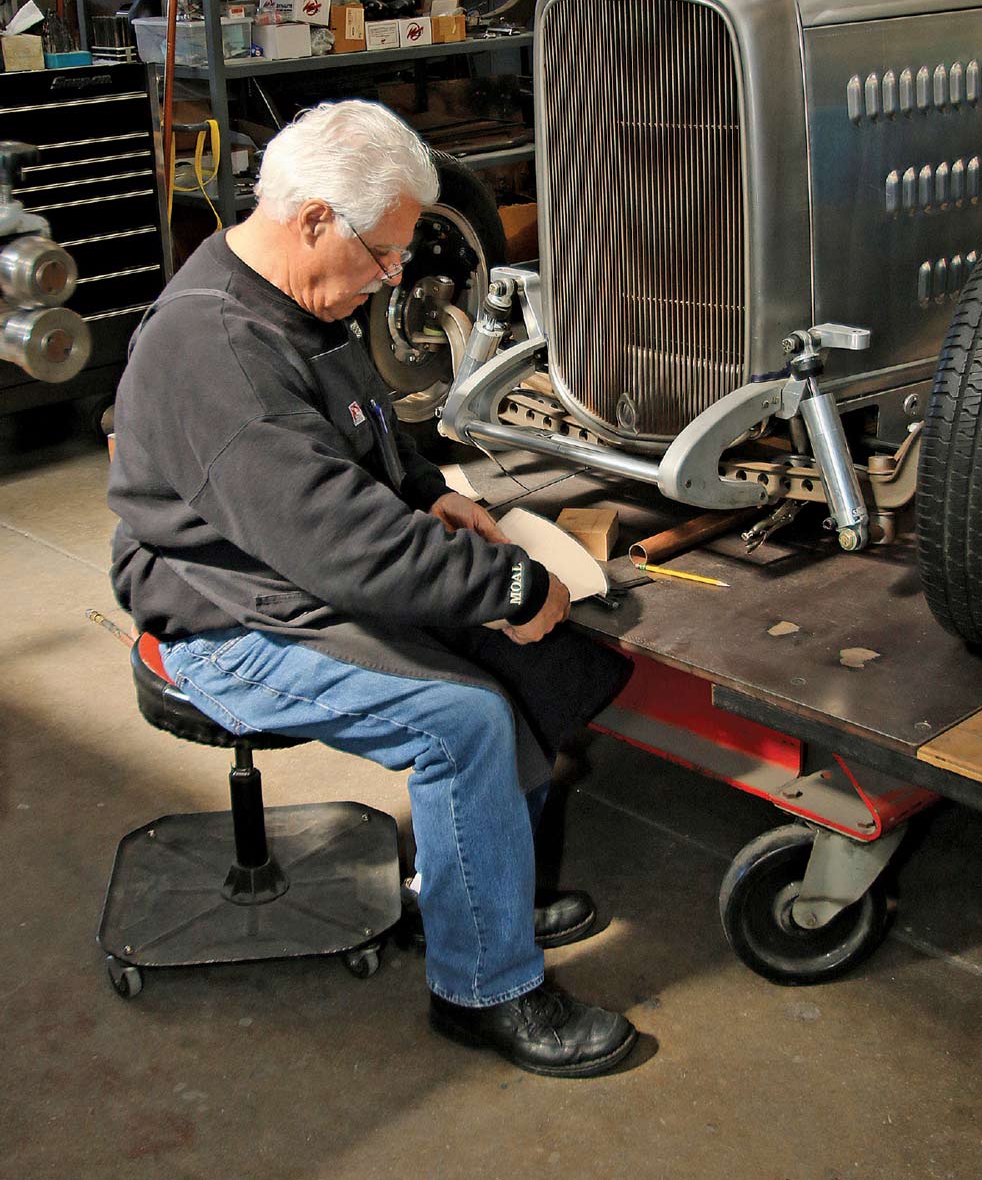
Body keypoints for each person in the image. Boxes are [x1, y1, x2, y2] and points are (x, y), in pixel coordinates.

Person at [108, 100, 637, 1078]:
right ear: (315, 218)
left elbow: (365, 434)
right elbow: (337, 539)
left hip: (291, 573)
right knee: (463, 719)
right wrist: (508, 582)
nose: (394, 275)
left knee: (522, 671)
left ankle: (474, 899)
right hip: (218, 615)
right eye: (383, 251)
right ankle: (484, 988)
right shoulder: (213, 349)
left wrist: (432, 494)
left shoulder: (305, 298)